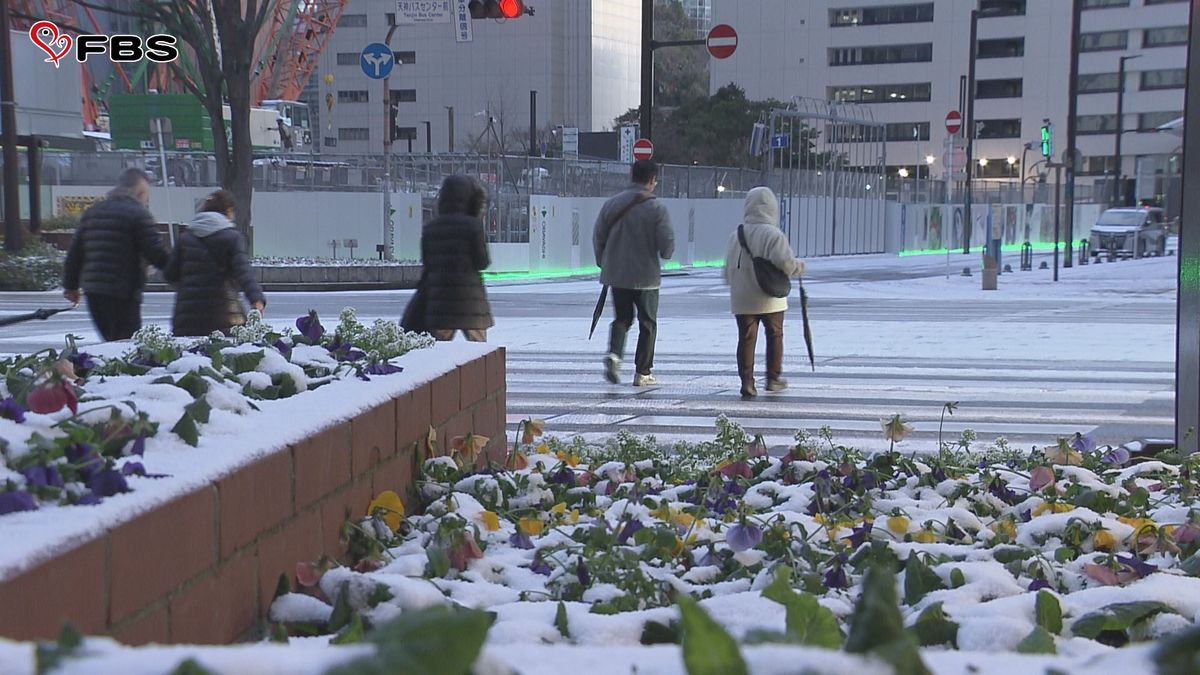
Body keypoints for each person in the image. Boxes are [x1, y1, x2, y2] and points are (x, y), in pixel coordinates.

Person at [62, 168, 170, 341]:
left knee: (110, 341)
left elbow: (76, 252)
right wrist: (181, 273)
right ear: (141, 191)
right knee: (127, 344)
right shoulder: (139, 214)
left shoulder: (93, 212)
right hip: (124, 290)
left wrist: (71, 285)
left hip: (94, 290)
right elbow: (156, 253)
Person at [593, 159, 674, 386]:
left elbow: (598, 236)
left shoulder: (612, 204)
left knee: (622, 318)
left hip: (617, 274)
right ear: (652, 180)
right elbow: (667, 244)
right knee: (647, 323)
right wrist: (665, 253)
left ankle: (615, 354)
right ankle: (642, 372)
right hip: (646, 277)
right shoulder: (657, 208)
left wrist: (604, 263)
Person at [723, 186, 806, 398]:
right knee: (775, 334)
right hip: (770, 297)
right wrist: (799, 267)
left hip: (742, 296)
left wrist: (736, 284)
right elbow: (786, 264)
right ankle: (773, 378)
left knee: (746, 337)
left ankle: (747, 382)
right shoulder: (773, 235)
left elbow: (727, 269)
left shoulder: (736, 234)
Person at [163, 190, 265, 336]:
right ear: (229, 211)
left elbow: (170, 274)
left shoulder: (185, 238)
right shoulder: (232, 238)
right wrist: (256, 299)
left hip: (186, 320)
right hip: (224, 317)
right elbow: (243, 271)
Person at [414, 175, 493, 342]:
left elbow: (427, 264)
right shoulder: (473, 226)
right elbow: (482, 262)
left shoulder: (431, 228)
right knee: (480, 352)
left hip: (440, 301)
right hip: (470, 300)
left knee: (439, 352)